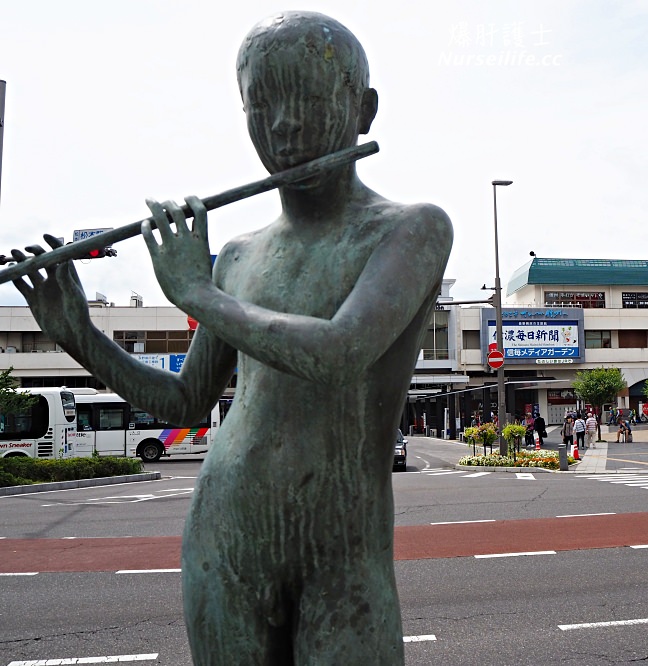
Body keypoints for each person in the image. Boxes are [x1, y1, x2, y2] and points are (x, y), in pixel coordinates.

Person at [11, 12, 451, 664]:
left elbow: (341, 353)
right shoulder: (239, 258)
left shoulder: (410, 231)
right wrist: (81, 336)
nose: (284, 125)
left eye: (308, 97)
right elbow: (189, 402)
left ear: (363, 110)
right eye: (261, 103)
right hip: (226, 531)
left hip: (344, 545)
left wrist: (197, 294)